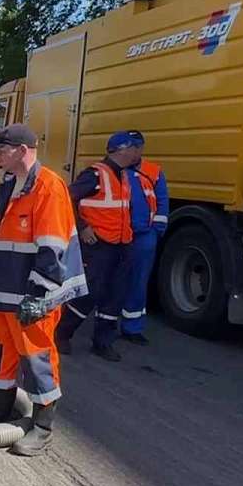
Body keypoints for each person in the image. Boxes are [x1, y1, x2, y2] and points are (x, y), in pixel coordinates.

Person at [0, 125, 87, 455]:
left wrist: (39, 295)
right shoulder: (9, 184)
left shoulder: (49, 187)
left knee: (37, 358)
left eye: (2, 151)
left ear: (21, 150)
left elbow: (52, 247)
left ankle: (43, 428)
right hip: (6, 290)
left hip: (34, 295)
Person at [55, 131, 139, 362]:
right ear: (122, 149)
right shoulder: (95, 174)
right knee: (88, 293)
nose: (137, 153)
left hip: (121, 245)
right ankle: (62, 332)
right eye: (134, 148)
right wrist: (82, 226)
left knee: (115, 295)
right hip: (99, 245)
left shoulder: (123, 175)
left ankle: (103, 342)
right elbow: (66, 198)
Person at [120, 131, 168, 345]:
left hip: (143, 236)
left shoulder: (153, 171)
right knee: (114, 280)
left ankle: (132, 327)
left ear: (141, 149)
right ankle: (107, 324)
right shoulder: (115, 168)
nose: (132, 151)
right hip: (120, 234)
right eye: (129, 147)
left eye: (136, 147)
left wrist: (156, 231)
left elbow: (162, 201)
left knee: (139, 282)